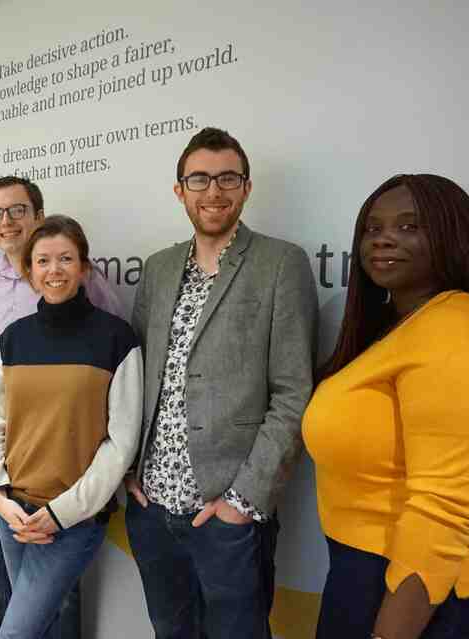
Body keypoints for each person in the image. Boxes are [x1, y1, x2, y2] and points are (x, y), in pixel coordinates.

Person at [124, 127, 318, 639]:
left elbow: (293, 392)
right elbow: (137, 379)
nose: (214, 191)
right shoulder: (160, 267)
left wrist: (244, 501)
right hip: (151, 506)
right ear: (179, 189)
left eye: (228, 178)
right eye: (200, 179)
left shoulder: (281, 263)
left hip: (227, 511)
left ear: (246, 187)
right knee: (171, 630)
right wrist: (129, 470)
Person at [303, 174, 469, 639]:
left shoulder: (450, 332)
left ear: (451, 236)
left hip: (422, 591)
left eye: (409, 226)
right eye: (372, 229)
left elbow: (445, 503)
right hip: (372, 572)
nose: (384, 238)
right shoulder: (404, 325)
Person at [0, 175, 124, 639]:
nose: (6, 221)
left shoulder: (87, 287)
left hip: (65, 469)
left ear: (37, 216)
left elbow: (107, 368)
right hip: (7, 460)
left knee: (59, 592)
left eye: (17, 210)